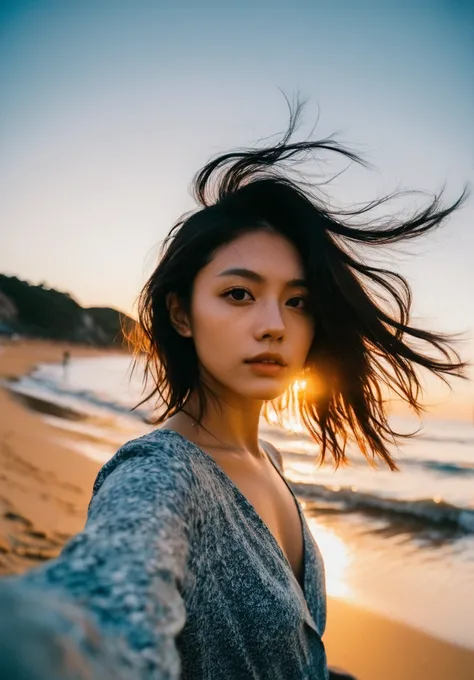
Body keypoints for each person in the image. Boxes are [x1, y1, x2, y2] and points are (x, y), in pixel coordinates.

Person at [0, 101, 467, 680]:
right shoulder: (163, 475)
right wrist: (48, 641)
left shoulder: (266, 457)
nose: (274, 323)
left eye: (297, 302)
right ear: (182, 313)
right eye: (239, 294)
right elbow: (103, 601)